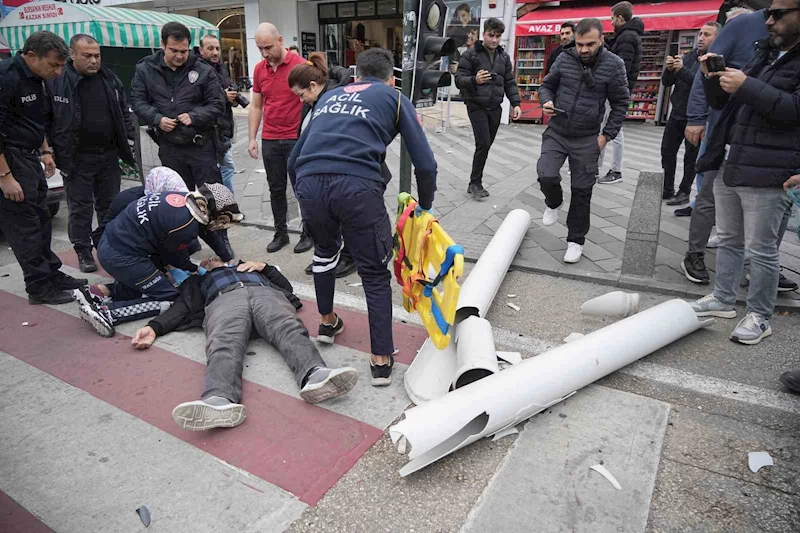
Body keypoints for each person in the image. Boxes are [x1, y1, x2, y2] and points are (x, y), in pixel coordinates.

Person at [288, 48, 437, 386]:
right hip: (356, 187)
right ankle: (381, 359)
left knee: (324, 252)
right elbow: (425, 163)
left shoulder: (329, 97)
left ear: (355, 78)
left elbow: (293, 158)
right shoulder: (395, 98)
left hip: (310, 181)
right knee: (372, 270)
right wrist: (425, 205)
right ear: (391, 78)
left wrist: (306, 194)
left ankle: (326, 322)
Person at [129, 257, 358, 430]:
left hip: (264, 294)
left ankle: (315, 374)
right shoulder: (198, 281)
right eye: (205, 261)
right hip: (224, 301)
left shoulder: (247, 266)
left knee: (289, 329)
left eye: (213, 257)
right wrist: (154, 327)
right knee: (223, 343)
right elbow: (182, 307)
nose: (208, 260)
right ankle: (219, 399)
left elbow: (286, 288)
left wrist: (264, 267)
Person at [689, 0, 800, 345]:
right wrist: (713, 80)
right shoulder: (766, 54)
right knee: (729, 240)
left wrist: (746, 85)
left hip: (771, 169)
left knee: (762, 249)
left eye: (778, 14)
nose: (768, 21)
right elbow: (728, 104)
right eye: (768, 14)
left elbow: (793, 109)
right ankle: (723, 298)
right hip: (732, 159)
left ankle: (759, 315)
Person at [80, 183, 240, 337]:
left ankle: (96, 292)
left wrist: (227, 258)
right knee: (172, 297)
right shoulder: (184, 226)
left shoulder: (186, 200)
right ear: (210, 210)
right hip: (122, 255)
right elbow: (173, 257)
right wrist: (195, 269)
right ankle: (109, 312)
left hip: (113, 242)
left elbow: (207, 232)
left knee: (157, 283)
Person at [0, 31, 87, 305]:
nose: (59, 72)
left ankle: (51, 272)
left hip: (30, 157)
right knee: (24, 226)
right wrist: (5, 177)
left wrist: (45, 150)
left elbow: (36, 120)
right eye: (54, 65)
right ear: (31, 56)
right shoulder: (7, 78)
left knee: (42, 219)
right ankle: (38, 287)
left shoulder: (37, 79)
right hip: (10, 160)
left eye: (61, 65)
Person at [536, 18, 629, 264]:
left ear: (601, 40)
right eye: (579, 44)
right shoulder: (564, 57)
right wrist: (546, 101)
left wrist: (606, 135)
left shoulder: (614, 64)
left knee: (582, 191)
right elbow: (547, 85)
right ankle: (553, 202)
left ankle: (575, 240)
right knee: (545, 174)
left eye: (589, 44)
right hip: (557, 131)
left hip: (588, 136)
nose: (584, 49)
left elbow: (621, 103)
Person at [47, 34, 136, 274]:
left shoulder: (110, 78)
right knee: (80, 208)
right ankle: (83, 251)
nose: (94, 61)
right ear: (72, 54)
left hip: (108, 155)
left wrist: (130, 138)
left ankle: (107, 246)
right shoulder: (57, 80)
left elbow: (123, 111)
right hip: (76, 158)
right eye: (87, 56)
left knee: (109, 206)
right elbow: (47, 119)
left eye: (97, 55)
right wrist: (50, 151)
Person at [131, 22, 225, 191]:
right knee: (177, 202)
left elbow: (217, 104)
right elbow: (138, 101)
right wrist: (157, 119)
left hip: (200, 144)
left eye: (184, 51)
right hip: (169, 146)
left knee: (215, 199)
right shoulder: (146, 69)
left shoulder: (203, 70)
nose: (180, 56)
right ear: (163, 45)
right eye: (174, 51)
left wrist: (194, 116)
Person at [289, 52, 358, 279]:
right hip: (319, 173)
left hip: (344, 172)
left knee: (347, 218)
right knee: (328, 220)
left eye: (301, 95)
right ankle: (329, 256)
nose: (300, 100)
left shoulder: (334, 101)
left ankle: (348, 257)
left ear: (313, 86)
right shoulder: (314, 101)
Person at [246, 22, 311, 254]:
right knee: (276, 189)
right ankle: (281, 233)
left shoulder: (300, 65)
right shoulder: (259, 69)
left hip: (296, 138)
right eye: (260, 48)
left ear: (281, 40)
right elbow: (256, 105)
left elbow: (313, 101)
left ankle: (308, 233)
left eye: (269, 47)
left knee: (302, 188)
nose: (265, 53)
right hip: (271, 139)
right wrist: (252, 138)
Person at [455, 18, 522, 199]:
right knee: (483, 143)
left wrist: (516, 104)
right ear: (483, 34)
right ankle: (475, 183)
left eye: (498, 36)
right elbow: (459, 79)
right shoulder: (471, 55)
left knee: (486, 146)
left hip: (495, 107)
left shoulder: (504, 57)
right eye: (491, 35)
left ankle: (474, 181)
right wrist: (474, 80)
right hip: (476, 105)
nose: (494, 40)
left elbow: (509, 82)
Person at [660, 23, 720, 205]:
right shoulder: (689, 57)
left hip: (696, 117)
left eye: (707, 34)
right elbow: (667, 82)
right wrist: (670, 69)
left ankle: (684, 191)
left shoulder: (714, 60)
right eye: (700, 33)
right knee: (667, 152)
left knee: (691, 157)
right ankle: (667, 188)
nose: (701, 38)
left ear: (717, 38)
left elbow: (700, 83)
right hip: (677, 112)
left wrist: (681, 70)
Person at [597, 1, 643, 185]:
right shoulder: (626, 36)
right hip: (618, 90)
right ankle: (600, 167)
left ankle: (616, 170)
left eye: (612, 18)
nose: (611, 21)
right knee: (607, 128)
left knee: (613, 130)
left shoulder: (627, 38)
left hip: (615, 91)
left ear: (620, 18)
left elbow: (620, 65)